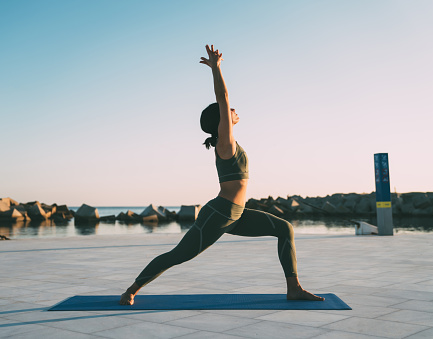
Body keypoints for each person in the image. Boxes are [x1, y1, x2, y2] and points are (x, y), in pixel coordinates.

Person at [119, 44, 324, 305]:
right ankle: (131, 290)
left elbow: (225, 105)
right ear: (222, 120)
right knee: (179, 255)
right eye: (230, 110)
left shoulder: (231, 144)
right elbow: (223, 97)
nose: (235, 110)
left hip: (236, 214)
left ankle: (294, 288)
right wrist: (216, 68)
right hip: (219, 214)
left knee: (285, 229)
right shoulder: (224, 143)